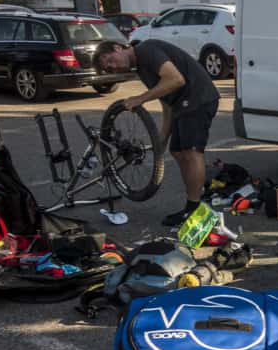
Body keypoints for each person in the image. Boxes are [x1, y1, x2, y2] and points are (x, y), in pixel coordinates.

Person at [92, 40, 220, 227]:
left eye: (110, 60)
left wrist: (140, 99)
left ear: (118, 48)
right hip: (181, 105)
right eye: (109, 69)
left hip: (198, 98)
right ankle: (191, 206)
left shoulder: (146, 50)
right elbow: (166, 102)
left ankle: (195, 211)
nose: (113, 67)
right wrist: (161, 139)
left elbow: (176, 79)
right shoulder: (141, 67)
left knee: (191, 153)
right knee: (177, 152)